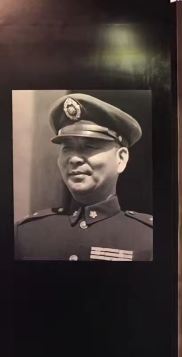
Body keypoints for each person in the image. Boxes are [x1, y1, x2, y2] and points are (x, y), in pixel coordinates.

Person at [15, 93, 153, 261]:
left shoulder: (148, 238)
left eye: (89, 146)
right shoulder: (25, 234)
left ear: (121, 158)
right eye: (67, 148)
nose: (74, 159)